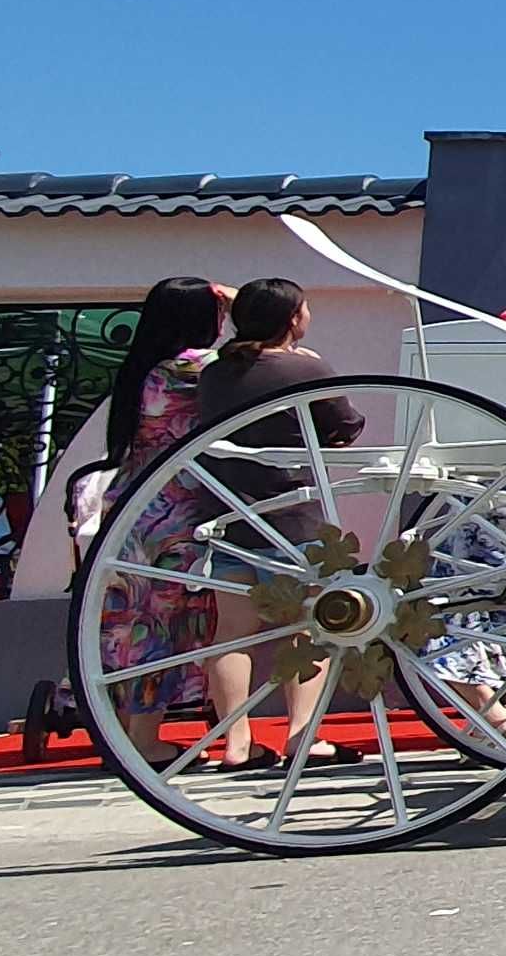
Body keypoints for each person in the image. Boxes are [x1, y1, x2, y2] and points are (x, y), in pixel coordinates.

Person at [191, 279, 359, 767]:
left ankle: (236, 743)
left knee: (233, 633)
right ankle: (302, 736)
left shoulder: (216, 372)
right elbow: (345, 423)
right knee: (309, 628)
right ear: (292, 318)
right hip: (293, 514)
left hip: (229, 513)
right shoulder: (302, 367)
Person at [87, 277, 232, 732]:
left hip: (134, 504)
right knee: (165, 621)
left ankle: (129, 732)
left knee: (131, 618)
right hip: (180, 509)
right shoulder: (198, 368)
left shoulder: (142, 369)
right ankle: (147, 739)